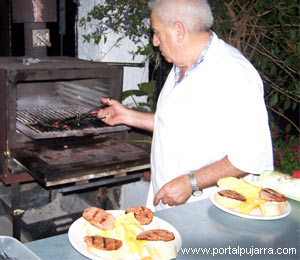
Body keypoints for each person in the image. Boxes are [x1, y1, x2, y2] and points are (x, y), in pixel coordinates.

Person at [94, 0, 274, 211]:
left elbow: (251, 157)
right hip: (171, 206)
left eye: (157, 33)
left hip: (207, 211)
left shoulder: (233, 74)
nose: (154, 41)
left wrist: (191, 182)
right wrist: (128, 117)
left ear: (179, 31)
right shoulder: (183, 64)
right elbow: (180, 124)